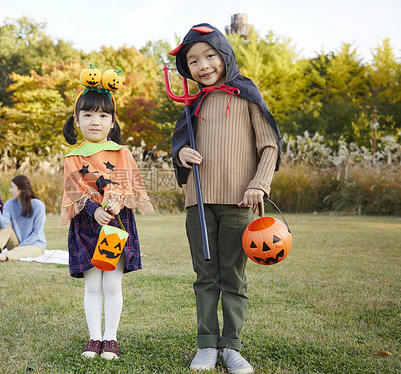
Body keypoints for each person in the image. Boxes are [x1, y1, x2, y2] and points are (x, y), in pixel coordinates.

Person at [170, 24, 282, 373]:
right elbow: (179, 144)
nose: (203, 65)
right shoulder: (193, 104)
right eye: (193, 61)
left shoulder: (245, 94)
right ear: (186, 69)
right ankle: (206, 344)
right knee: (205, 276)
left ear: (224, 54)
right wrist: (181, 154)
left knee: (232, 276)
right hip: (199, 202)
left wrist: (258, 184)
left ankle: (231, 346)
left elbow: (269, 145)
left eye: (210, 55)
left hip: (240, 202)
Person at [59, 68, 154, 360]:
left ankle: (110, 338)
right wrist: (93, 208)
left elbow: (130, 183)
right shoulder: (73, 156)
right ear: (77, 121)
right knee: (92, 285)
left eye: (102, 116)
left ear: (112, 122)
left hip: (116, 223)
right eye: (87, 115)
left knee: (111, 283)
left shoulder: (121, 152)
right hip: (87, 224)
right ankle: (93, 337)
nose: (95, 121)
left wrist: (115, 202)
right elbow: (74, 188)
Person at [0, 175, 46, 263]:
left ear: (21, 189)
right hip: (16, 243)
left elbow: (37, 233)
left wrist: (20, 246)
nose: (10, 190)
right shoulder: (9, 204)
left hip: (35, 245)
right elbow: (4, 225)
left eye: (12, 187)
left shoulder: (39, 206)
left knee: (20, 251)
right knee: (7, 227)